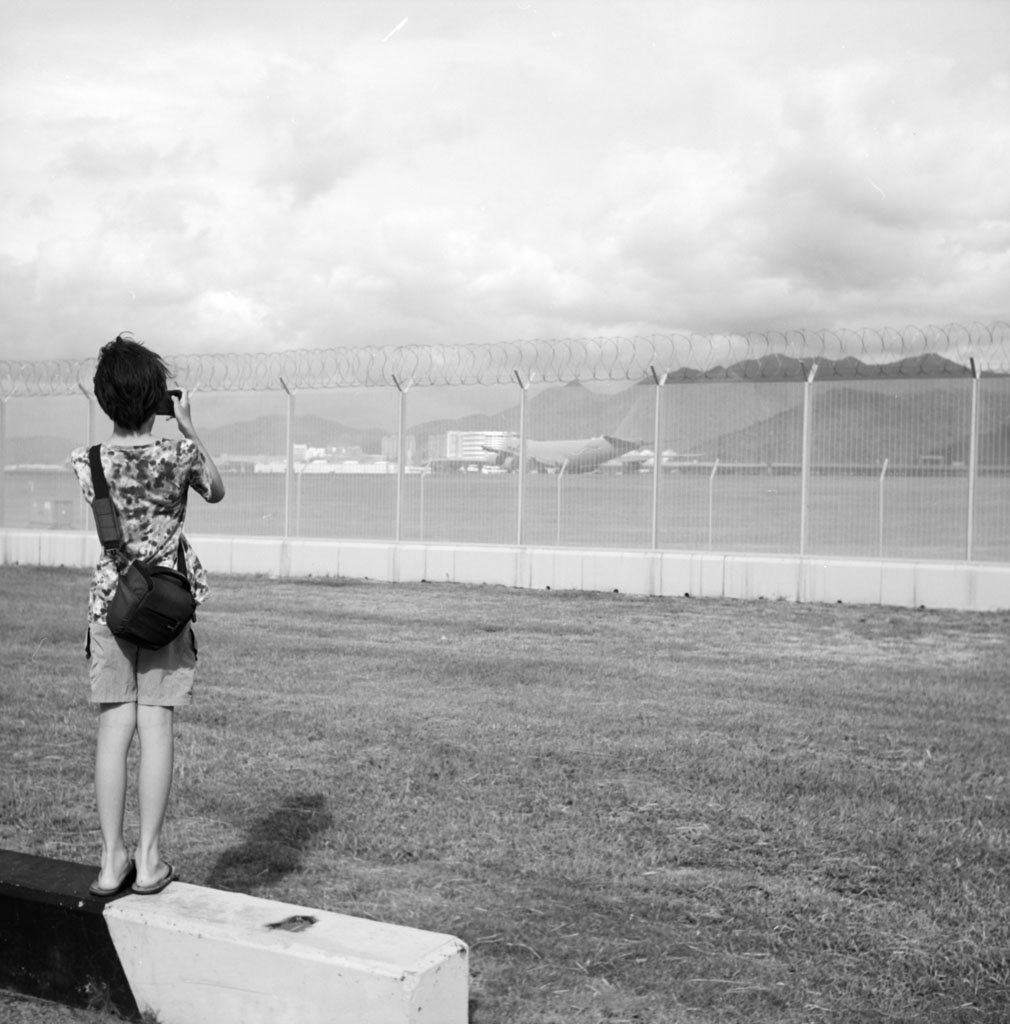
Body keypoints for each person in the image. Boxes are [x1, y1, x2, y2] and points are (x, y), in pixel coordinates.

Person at [70, 333, 225, 897]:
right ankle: (150, 859)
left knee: (115, 727)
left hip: (110, 604)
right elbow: (217, 491)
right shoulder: (179, 455)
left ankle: (111, 862)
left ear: (104, 398)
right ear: (158, 397)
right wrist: (188, 428)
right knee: (156, 724)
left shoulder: (87, 462)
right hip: (165, 608)